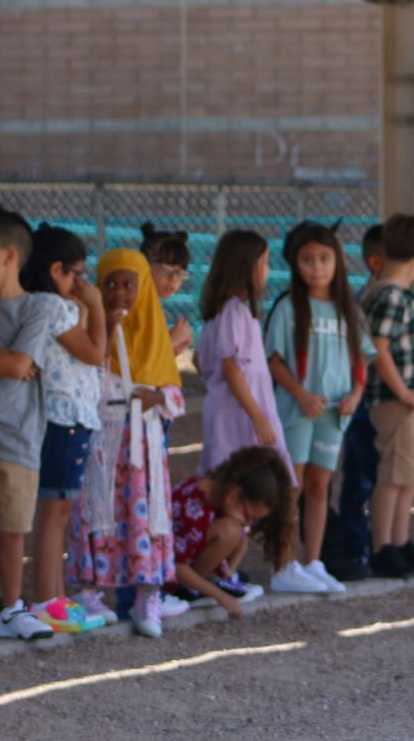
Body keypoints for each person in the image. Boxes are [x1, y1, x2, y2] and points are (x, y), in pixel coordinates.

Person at [0, 207, 74, 644]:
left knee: (12, 531)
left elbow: (20, 364)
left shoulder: (37, 308)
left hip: (20, 440)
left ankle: (10, 608)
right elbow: (6, 364)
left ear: (6, 255)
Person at [69, 249, 185, 639]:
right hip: (105, 438)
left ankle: (146, 594)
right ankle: (90, 590)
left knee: (144, 515)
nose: (120, 293)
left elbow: (174, 391)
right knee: (97, 511)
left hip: (144, 448)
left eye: (128, 285)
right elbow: (86, 377)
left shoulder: (155, 335)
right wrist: (108, 331)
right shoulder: (94, 328)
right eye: (111, 285)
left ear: (143, 288)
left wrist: (158, 398)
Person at [265, 222, 375, 594]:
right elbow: (274, 359)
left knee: (319, 486)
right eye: (308, 259)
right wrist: (300, 394)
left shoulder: (350, 309)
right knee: (290, 486)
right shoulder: (287, 307)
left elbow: (362, 359)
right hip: (299, 411)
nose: (317, 267)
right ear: (295, 264)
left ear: (338, 261)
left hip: (334, 414)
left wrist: (357, 392)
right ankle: (284, 564)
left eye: (324, 258)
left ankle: (313, 561)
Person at [19, 223, 108, 633]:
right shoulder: (51, 307)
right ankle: (46, 601)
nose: (82, 282)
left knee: (61, 510)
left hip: (72, 418)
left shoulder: (58, 306)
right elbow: (94, 352)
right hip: (61, 418)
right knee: (54, 512)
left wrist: (86, 305)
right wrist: (98, 305)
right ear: (57, 271)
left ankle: (55, 599)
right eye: (77, 274)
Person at [363, 214, 414, 580]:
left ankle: (400, 539)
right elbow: (377, 349)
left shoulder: (392, 294)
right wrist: (403, 392)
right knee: (393, 474)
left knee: (408, 472)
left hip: (411, 400)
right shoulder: (392, 297)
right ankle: (382, 545)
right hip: (398, 401)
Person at [197, 228, 292, 478]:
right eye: (265, 263)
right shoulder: (233, 312)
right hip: (239, 417)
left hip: (234, 412)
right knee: (243, 482)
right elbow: (230, 368)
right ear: (247, 267)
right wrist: (258, 416)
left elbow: (201, 361)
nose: (268, 270)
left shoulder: (218, 315)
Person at [324, 223, 385, 584]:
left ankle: (359, 542)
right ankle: (348, 544)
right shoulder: (360, 299)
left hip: (358, 398)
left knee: (360, 475)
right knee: (350, 478)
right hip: (341, 404)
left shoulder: (354, 299)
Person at [167, 446, 293, 619]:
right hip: (173, 578)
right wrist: (220, 596)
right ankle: (192, 590)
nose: (248, 522)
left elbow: (243, 535)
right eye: (249, 516)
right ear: (233, 496)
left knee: (236, 530)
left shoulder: (221, 498)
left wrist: (229, 571)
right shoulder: (193, 502)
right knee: (231, 530)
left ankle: (207, 584)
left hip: (190, 569)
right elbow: (176, 566)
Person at [141, 223, 194, 357]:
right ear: (146, 264)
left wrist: (172, 350)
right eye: (167, 270)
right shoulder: (139, 305)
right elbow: (141, 364)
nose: (174, 279)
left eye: (181, 273)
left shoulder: (153, 305)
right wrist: (172, 341)